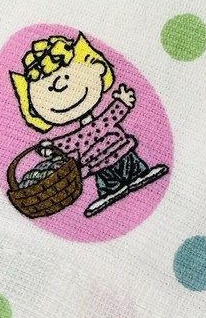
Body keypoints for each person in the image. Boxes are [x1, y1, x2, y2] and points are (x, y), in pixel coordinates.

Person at [9, 34, 168, 218]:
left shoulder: (95, 124)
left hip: (119, 149)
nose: (61, 85)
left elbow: (108, 118)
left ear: (97, 68)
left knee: (130, 166)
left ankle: (138, 175)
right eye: (50, 88)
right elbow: (70, 141)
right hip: (97, 164)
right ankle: (109, 192)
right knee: (107, 180)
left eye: (67, 76)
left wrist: (122, 102)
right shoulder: (79, 134)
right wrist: (51, 147)